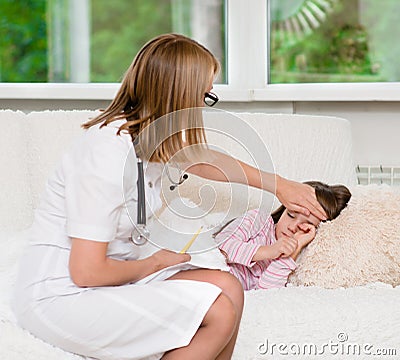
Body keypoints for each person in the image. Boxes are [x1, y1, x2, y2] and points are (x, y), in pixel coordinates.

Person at [12, 33, 327, 360]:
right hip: (61, 296)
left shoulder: (150, 138)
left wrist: (280, 185)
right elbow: (86, 272)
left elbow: (203, 160)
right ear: (180, 98)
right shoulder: (105, 150)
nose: (206, 106)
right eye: (205, 95)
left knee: (229, 286)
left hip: (107, 279)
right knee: (219, 309)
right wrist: (154, 264)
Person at [214, 181, 351, 290]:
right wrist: (269, 251)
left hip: (221, 298)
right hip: (204, 274)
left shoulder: (298, 260)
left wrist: (294, 249)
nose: (292, 227)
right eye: (291, 214)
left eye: (305, 226)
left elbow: (265, 292)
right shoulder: (259, 220)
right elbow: (220, 247)